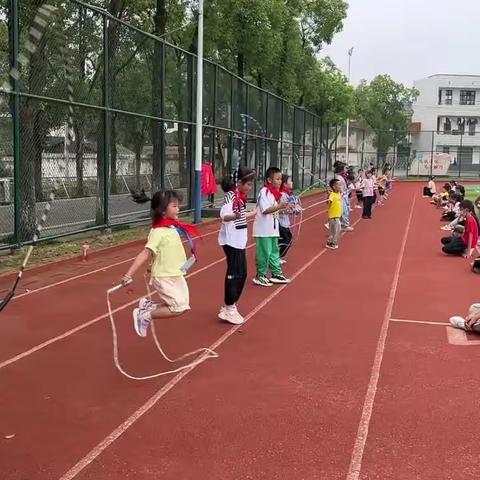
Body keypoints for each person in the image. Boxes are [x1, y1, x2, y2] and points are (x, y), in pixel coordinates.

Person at [123, 190, 199, 338]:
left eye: (178, 206)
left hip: (176, 273)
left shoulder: (171, 227)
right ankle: (144, 316)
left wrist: (152, 264)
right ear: (163, 210)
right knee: (177, 307)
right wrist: (128, 274)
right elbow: (146, 252)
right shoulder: (158, 231)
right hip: (164, 276)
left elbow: (162, 251)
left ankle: (148, 306)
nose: (179, 209)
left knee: (183, 306)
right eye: (175, 206)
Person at [218, 166, 256, 325]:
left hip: (239, 240)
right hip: (232, 242)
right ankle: (229, 307)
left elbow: (238, 216)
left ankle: (229, 305)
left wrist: (250, 213)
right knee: (237, 274)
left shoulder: (239, 197)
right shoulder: (231, 196)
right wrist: (235, 215)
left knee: (240, 273)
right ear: (239, 182)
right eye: (248, 184)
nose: (250, 187)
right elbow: (224, 216)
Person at [253, 167, 291, 287]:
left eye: (281, 179)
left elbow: (275, 211)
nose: (280, 181)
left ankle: (276, 273)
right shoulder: (265, 192)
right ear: (269, 180)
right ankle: (261, 275)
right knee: (264, 253)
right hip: (263, 230)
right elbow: (265, 210)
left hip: (273, 229)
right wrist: (280, 206)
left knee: (274, 252)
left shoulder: (275, 194)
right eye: (278, 179)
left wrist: (283, 208)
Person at [278, 174, 301, 263]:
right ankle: (276, 256)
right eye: (290, 181)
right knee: (285, 240)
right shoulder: (283, 195)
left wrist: (296, 209)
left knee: (286, 240)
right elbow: (283, 209)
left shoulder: (287, 194)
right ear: (284, 184)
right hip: (281, 222)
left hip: (284, 222)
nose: (292, 182)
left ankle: (277, 256)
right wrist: (294, 210)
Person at [334, 162, 354, 232]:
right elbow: (338, 186)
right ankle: (344, 225)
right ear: (341, 169)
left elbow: (345, 185)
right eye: (345, 168)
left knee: (345, 210)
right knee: (344, 211)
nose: (347, 169)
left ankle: (342, 225)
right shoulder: (338, 177)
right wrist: (341, 192)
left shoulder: (343, 176)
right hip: (341, 196)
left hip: (344, 195)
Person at [325, 178, 343, 250]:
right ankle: (332, 243)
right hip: (333, 216)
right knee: (336, 230)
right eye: (338, 185)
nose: (340, 186)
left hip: (337, 215)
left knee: (335, 230)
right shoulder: (332, 195)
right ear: (334, 187)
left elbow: (341, 194)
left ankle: (330, 242)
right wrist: (328, 197)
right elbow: (328, 202)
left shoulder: (337, 194)